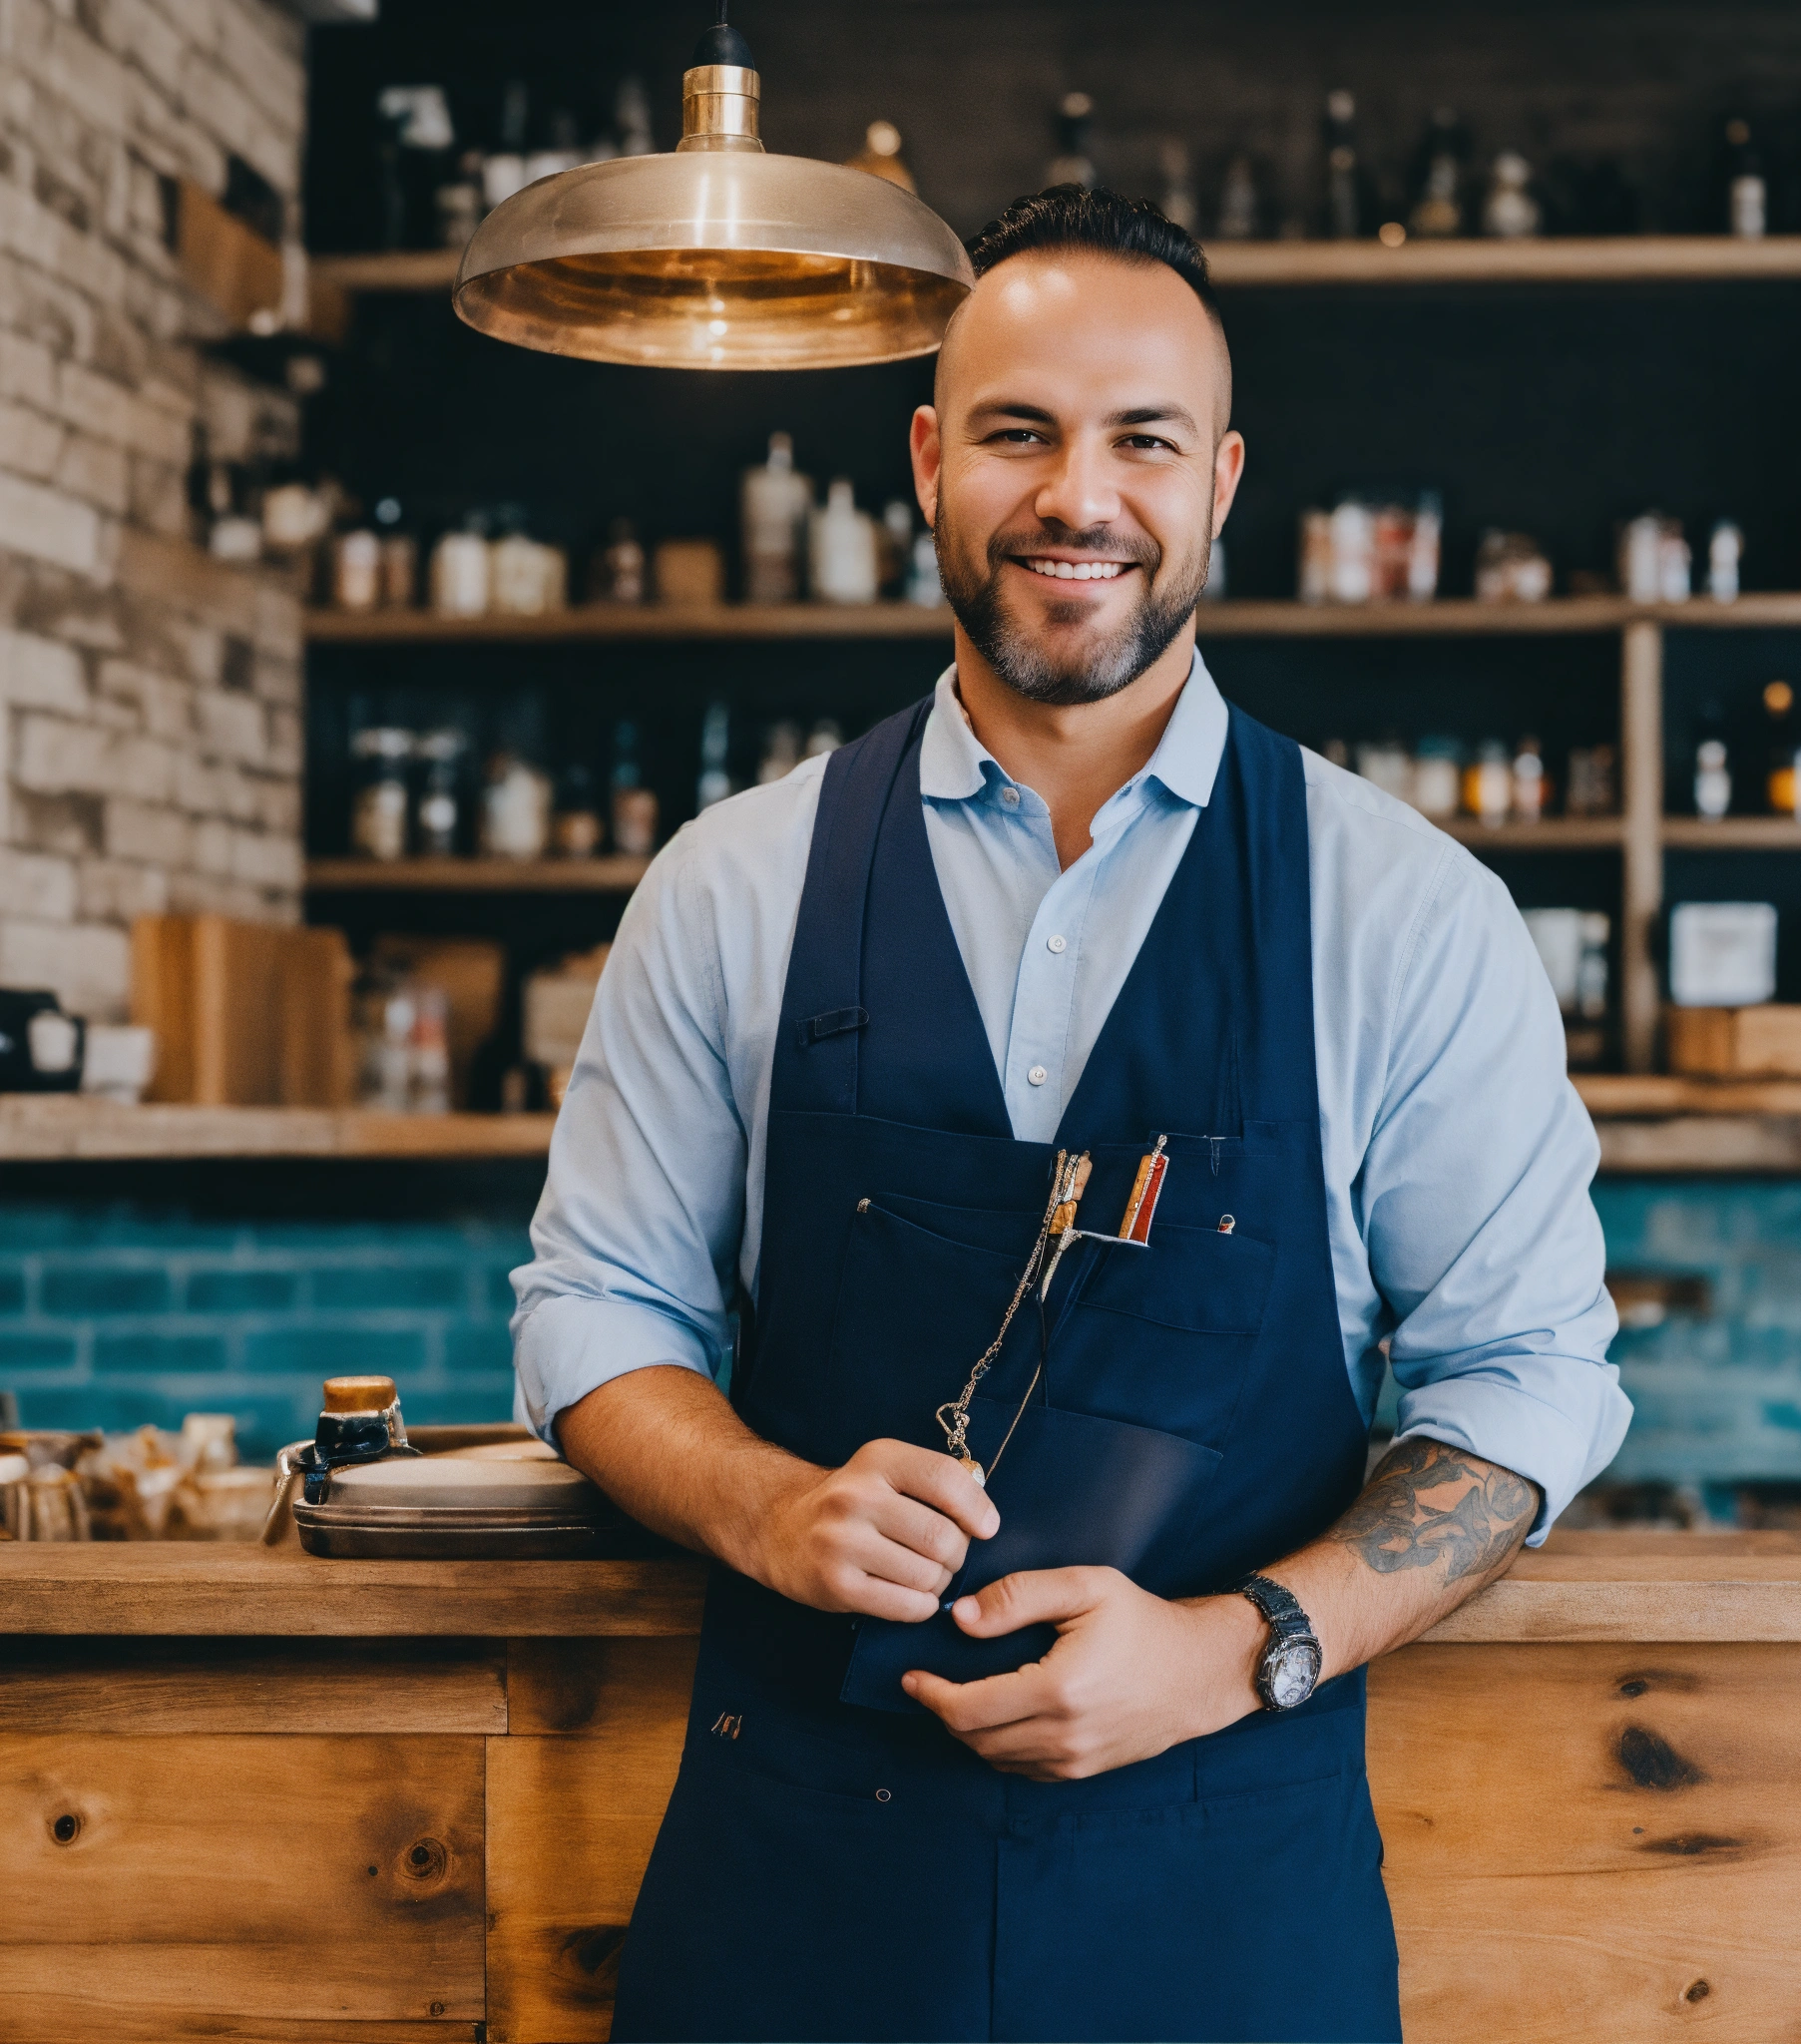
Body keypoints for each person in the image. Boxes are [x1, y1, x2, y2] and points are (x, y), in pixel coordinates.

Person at [512, 186, 1629, 2044]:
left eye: (1143, 440)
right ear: (934, 459)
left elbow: (1525, 1381)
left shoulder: (1404, 909)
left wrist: (1235, 1649)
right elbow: (595, 1309)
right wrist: (770, 1504)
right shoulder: (734, 884)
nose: (1077, 496)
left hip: (1222, 1904)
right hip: (796, 1894)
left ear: (1223, 482)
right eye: (1021, 431)